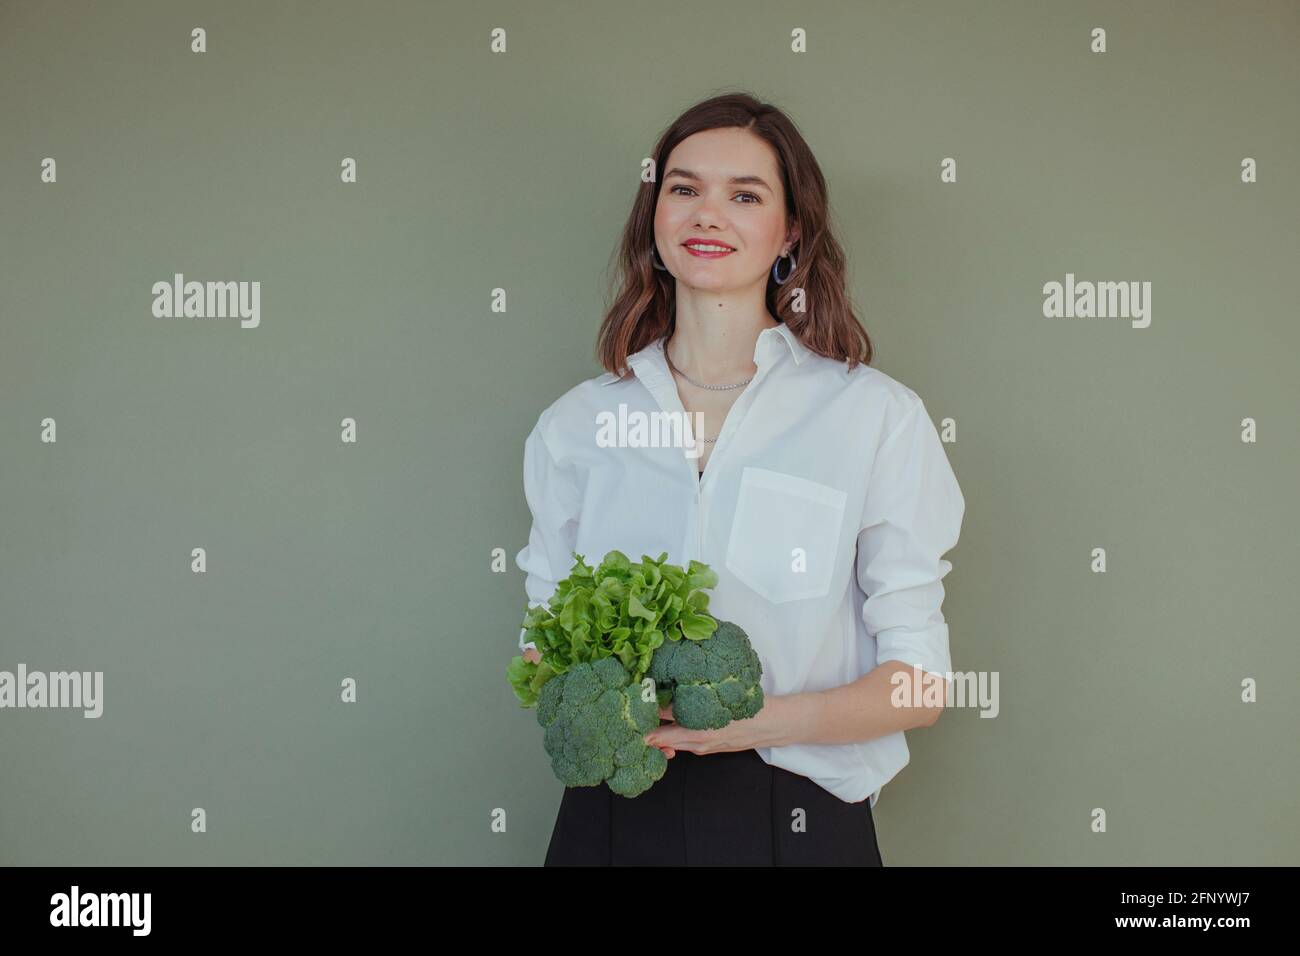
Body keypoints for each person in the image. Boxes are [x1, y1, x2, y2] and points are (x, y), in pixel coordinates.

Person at [514, 92, 965, 866]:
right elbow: (541, 638)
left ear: (791, 231)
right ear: (654, 219)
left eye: (744, 195)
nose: (706, 214)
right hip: (615, 815)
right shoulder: (576, 426)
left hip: (799, 812)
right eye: (683, 189)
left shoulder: (873, 417)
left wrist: (753, 722)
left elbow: (920, 687)